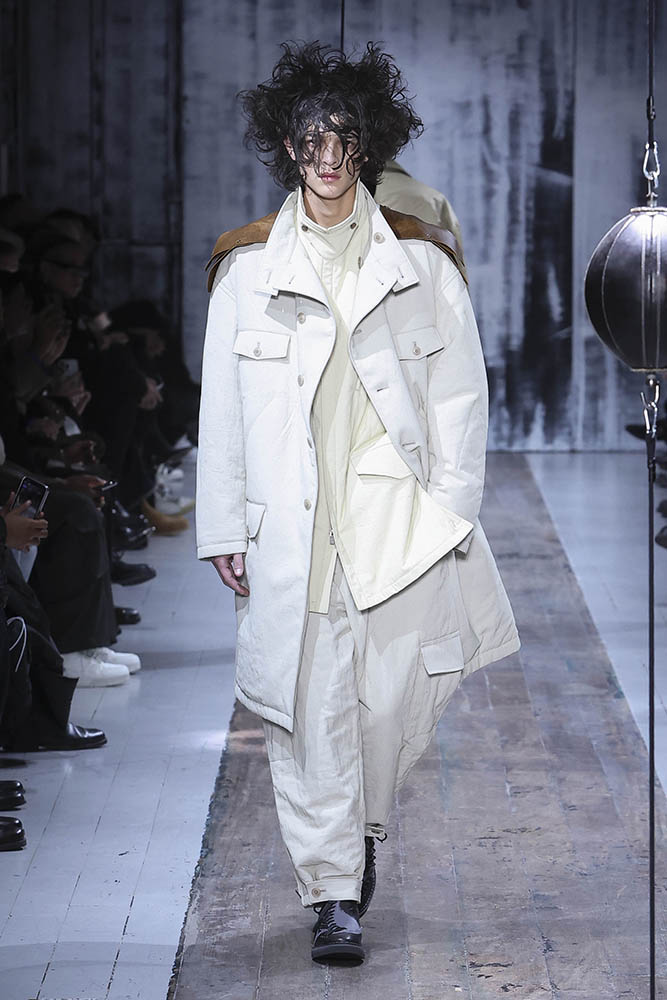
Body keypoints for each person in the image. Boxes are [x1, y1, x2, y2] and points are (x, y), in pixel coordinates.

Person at [196, 41, 520, 964]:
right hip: (291, 522)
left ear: (368, 144)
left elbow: (460, 397)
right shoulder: (244, 269)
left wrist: (451, 511)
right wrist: (222, 525)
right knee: (305, 709)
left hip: (395, 519)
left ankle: (361, 830)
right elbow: (222, 408)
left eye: (343, 138)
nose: (328, 157)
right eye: (311, 140)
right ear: (286, 147)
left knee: (383, 704)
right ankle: (333, 892)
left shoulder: (422, 262)